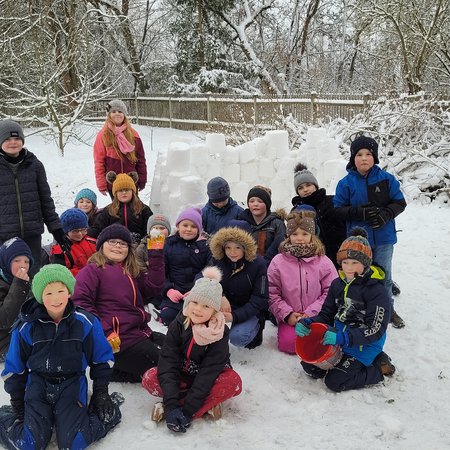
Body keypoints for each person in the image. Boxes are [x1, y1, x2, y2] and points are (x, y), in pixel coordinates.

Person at [0, 264, 122, 449]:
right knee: (28, 444)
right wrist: (17, 402)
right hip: (39, 384)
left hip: (71, 383)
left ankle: (107, 412)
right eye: (48, 293)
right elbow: (15, 367)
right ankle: (6, 417)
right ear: (40, 296)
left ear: (69, 292)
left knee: (73, 443)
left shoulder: (85, 321)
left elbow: (102, 359)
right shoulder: (27, 326)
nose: (56, 298)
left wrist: (101, 392)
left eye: (60, 290)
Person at [142, 267, 242, 433]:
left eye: (206, 306)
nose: (198, 309)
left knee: (233, 382)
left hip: (208, 379)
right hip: (182, 375)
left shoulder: (219, 332)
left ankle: (181, 407)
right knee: (150, 377)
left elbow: (209, 371)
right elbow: (168, 360)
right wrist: (173, 405)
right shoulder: (179, 323)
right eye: (195, 302)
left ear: (214, 310)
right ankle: (202, 405)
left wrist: (188, 412)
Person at [295, 228, 396, 392]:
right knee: (310, 367)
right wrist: (309, 322)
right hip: (338, 339)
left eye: (355, 262)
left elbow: (375, 329)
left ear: (365, 263)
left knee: (334, 382)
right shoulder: (337, 284)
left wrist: (343, 338)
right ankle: (349, 362)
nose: (349, 268)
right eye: (345, 262)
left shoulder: (376, 291)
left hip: (363, 345)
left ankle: (377, 368)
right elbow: (327, 314)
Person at [72, 224, 165, 382]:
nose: (117, 246)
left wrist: (155, 254)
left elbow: (154, 287)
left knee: (173, 346)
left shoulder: (131, 272)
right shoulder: (92, 271)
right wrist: (106, 332)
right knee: (167, 364)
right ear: (101, 245)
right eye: (112, 241)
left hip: (140, 333)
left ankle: (116, 371)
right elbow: (81, 304)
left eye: (122, 243)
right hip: (118, 341)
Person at [334, 136, 407, 328]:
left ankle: (388, 309)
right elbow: (338, 210)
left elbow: (400, 202)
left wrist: (385, 215)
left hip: (384, 238)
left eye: (368, 154)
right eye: (359, 154)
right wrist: (358, 212)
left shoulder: (386, 179)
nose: (364, 158)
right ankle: (361, 308)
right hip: (358, 241)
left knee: (384, 275)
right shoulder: (346, 183)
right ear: (353, 158)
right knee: (358, 275)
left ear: (374, 157)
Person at [0, 119, 71, 277]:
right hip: (5, 235)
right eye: (7, 139)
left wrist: (56, 229)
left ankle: (32, 302)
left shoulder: (34, 165)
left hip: (32, 234)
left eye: (17, 138)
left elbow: (45, 199)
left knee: (32, 275)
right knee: (7, 277)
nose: (13, 142)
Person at [268, 211, 337, 354]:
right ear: (288, 236)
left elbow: (331, 291)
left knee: (318, 342)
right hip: (290, 316)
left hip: (317, 315)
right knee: (289, 344)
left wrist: (311, 313)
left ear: (312, 235)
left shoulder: (323, 261)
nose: (300, 238)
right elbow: (271, 292)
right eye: (295, 234)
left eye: (304, 234)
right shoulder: (278, 262)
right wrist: (287, 314)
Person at [209, 226, 268, 349]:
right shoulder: (218, 261)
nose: (232, 252)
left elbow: (260, 298)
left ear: (246, 248)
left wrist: (235, 316)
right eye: (228, 248)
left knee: (238, 337)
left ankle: (256, 329)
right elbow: (202, 278)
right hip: (223, 305)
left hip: (248, 308)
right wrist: (220, 295)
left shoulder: (258, 264)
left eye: (237, 247)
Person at [159, 207, 211, 326]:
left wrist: (197, 289)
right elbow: (161, 271)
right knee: (169, 316)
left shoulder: (205, 246)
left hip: (197, 293)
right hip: (175, 292)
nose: (188, 229)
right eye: (185, 225)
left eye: (193, 226)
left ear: (198, 229)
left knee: (197, 319)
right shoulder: (168, 244)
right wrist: (168, 290)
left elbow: (208, 269)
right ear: (178, 226)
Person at [291, 163, 346, 268]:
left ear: (315, 185)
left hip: (341, 254)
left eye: (308, 185)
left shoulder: (332, 201)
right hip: (315, 261)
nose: (305, 190)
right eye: (301, 188)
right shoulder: (297, 210)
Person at [93, 99, 147, 197]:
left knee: (134, 209)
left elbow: (141, 159)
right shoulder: (103, 135)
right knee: (117, 210)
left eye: (120, 111)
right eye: (113, 111)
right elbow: (99, 161)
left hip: (131, 181)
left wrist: (142, 179)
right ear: (109, 115)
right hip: (113, 182)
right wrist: (101, 184)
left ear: (124, 114)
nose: (117, 114)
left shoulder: (133, 134)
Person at [88, 171, 153, 244]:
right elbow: (98, 229)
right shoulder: (108, 210)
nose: (124, 192)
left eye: (127, 189)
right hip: (115, 245)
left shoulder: (143, 209)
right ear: (115, 193)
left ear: (133, 191)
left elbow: (149, 229)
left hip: (138, 245)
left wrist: (143, 243)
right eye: (120, 190)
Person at [0, 238, 33, 360]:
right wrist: (19, 286)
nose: (22, 265)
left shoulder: (29, 280)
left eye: (26, 261)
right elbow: (4, 320)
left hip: (23, 331)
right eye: (16, 260)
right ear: (5, 262)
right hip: (4, 340)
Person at [239, 185, 286, 265]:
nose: (255, 204)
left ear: (267, 204)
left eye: (260, 201)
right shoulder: (241, 222)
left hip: (271, 266)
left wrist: (264, 262)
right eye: (252, 201)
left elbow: (279, 245)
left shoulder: (277, 224)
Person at [50, 208, 97, 276]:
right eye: (75, 231)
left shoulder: (93, 242)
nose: (80, 234)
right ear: (66, 231)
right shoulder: (60, 250)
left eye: (83, 230)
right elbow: (59, 273)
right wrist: (87, 272)